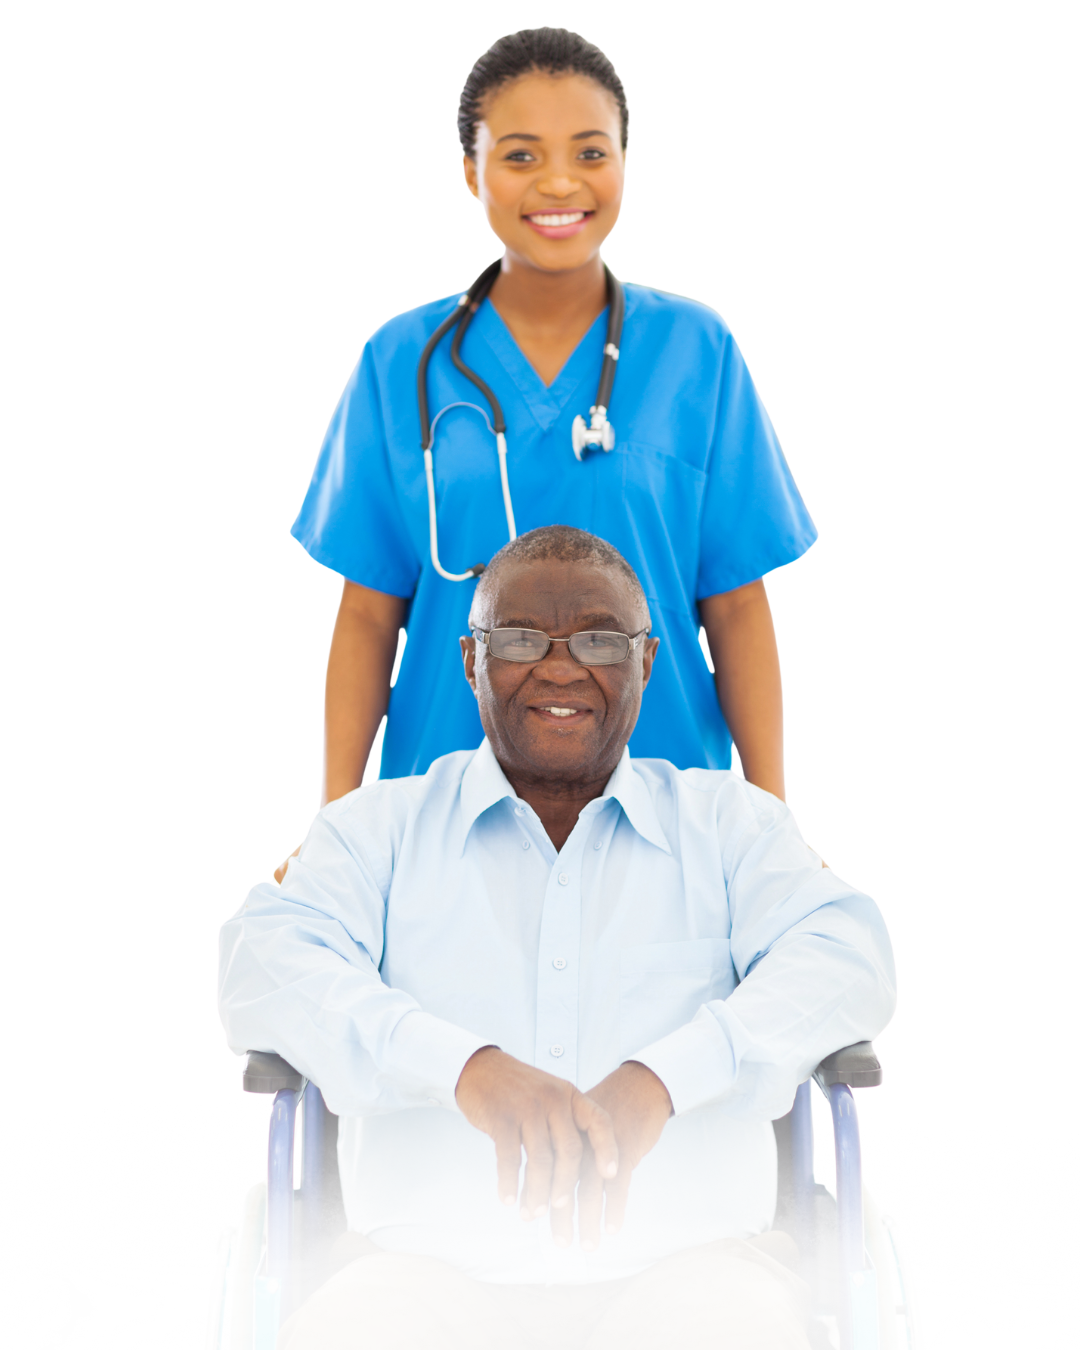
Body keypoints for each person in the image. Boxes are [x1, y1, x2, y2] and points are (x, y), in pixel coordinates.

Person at [220, 527, 896, 1349]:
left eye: (600, 640)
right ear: (470, 660)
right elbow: (262, 962)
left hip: (700, 1275)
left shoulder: (728, 826)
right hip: (417, 1278)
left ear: (647, 662)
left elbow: (848, 955)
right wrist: (463, 1069)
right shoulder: (378, 831)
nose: (561, 667)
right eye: (519, 639)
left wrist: (666, 1078)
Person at [276, 27, 819, 879]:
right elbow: (370, 616)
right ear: (471, 172)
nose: (560, 182)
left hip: (667, 821)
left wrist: (772, 822)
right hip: (442, 822)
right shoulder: (400, 360)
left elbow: (737, 607)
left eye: (590, 152)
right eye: (521, 155)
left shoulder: (697, 349)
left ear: (625, 164)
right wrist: (335, 828)